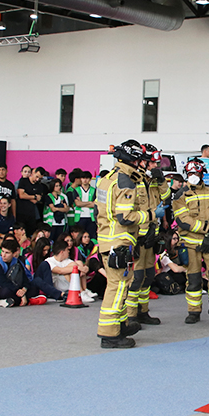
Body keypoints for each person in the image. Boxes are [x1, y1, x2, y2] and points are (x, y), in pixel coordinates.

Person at [93, 140, 149, 348]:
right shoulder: (126, 181)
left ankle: (119, 324)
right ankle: (110, 334)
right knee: (117, 288)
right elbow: (126, 216)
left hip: (107, 239)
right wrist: (150, 215)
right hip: (119, 241)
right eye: (138, 159)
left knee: (122, 284)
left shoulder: (106, 178)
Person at [172, 157, 209, 324]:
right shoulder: (180, 195)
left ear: (202, 174)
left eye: (196, 172)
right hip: (191, 243)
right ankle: (194, 311)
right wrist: (208, 229)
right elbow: (183, 220)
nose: (193, 175)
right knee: (193, 278)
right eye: (190, 173)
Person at [125, 144, 169, 326]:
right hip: (137, 237)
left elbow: (166, 197)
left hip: (152, 236)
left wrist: (162, 181)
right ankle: (131, 315)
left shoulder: (153, 180)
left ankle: (143, 312)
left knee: (148, 275)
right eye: (152, 163)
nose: (155, 167)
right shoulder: (132, 180)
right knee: (136, 278)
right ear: (142, 162)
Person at [0, 238, 39, 307]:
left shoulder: (16, 261)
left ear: (14, 254)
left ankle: (12, 300)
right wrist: (21, 294)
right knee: (6, 291)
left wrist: (24, 289)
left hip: (13, 286)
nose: (3, 255)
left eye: (7, 253)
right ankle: (23, 300)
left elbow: (24, 278)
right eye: (2, 251)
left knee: (34, 289)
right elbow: (3, 282)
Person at [16, 166, 44, 235]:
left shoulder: (39, 186)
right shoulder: (23, 181)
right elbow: (21, 195)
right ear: (33, 173)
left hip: (31, 214)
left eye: (39, 178)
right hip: (21, 213)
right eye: (36, 177)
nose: (37, 179)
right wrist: (33, 196)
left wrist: (27, 195)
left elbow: (36, 200)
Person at [72, 170, 97, 239]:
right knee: (79, 237)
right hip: (80, 217)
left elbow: (94, 205)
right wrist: (89, 202)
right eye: (83, 178)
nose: (85, 180)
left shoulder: (94, 190)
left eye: (87, 178)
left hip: (91, 217)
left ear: (90, 179)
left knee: (91, 237)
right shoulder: (76, 190)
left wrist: (82, 203)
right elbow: (77, 204)